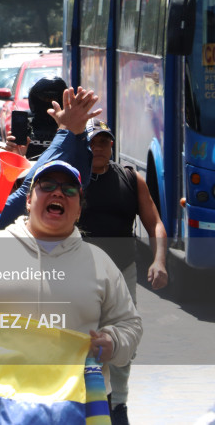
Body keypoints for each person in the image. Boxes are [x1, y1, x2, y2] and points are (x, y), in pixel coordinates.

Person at [0, 161, 143, 421]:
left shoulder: (100, 262)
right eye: (47, 186)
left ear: (79, 210)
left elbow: (130, 324)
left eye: (69, 190)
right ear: (28, 200)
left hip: (75, 406)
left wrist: (114, 342)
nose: (58, 193)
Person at [77, 119, 168, 425]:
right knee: (86, 339)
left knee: (123, 341)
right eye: (92, 142)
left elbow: (154, 223)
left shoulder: (131, 179)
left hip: (123, 272)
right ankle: (91, 400)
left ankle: (120, 404)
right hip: (81, 274)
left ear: (111, 145)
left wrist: (159, 261)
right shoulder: (72, 182)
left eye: (103, 142)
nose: (98, 148)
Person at [0, 86, 99, 239]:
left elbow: (80, 177)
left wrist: (79, 133)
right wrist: (65, 130)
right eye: (17, 182)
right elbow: (26, 190)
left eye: (23, 179)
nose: (28, 185)